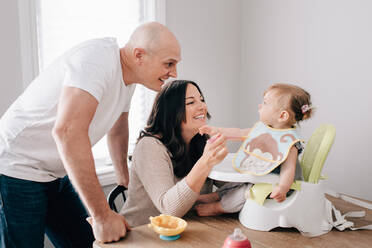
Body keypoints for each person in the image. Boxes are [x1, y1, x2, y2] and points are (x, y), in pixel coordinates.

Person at [0, 22, 181, 247]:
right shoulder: (97, 62)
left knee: (87, 243)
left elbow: (118, 127)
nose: (174, 73)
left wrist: (124, 178)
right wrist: (102, 216)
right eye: (169, 64)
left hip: (55, 171)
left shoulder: (128, 78)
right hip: (18, 166)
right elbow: (67, 132)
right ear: (139, 55)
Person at [120, 80, 228, 227]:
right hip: (141, 234)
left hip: (186, 229)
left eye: (201, 100)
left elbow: (232, 183)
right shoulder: (149, 146)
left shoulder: (201, 141)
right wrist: (205, 162)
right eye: (191, 102)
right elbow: (169, 209)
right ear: (171, 111)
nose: (202, 106)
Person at [195, 83, 314, 216]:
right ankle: (216, 196)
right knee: (240, 182)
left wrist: (282, 188)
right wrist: (216, 130)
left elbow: (288, 170)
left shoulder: (289, 142)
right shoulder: (263, 128)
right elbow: (240, 133)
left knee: (245, 191)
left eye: (265, 103)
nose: (260, 106)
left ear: (282, 116)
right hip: (263, 176)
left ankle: (219, 207)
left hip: (277, 184)